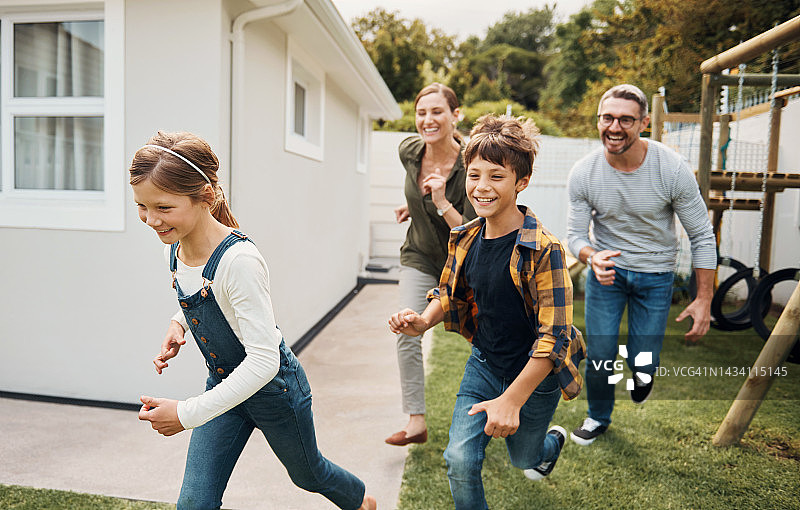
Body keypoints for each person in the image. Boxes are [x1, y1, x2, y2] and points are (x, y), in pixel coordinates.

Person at [131, 132, 376, 510]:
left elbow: (264, 361)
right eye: (142, 206)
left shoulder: (239, 261)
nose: (151, 219)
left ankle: (360, 502)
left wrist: (184, 414)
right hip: (224, 388)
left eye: (163, 207)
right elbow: (207, 297)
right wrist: (179, 323)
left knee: (308, 475)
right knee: (194, 503)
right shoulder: (176, 248)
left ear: (204, 197)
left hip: (276, 394)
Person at [389, 115, 585, 509]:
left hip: (535, 374)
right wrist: (423, 321)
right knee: (459, 460)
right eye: (474, 174)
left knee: (524, 458)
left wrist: (511, 400)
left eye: (496, 176)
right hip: (484, 365)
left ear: (521, 182)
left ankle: (548, 445)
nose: (481, 186)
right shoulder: (463, 237)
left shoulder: (544, 249)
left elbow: (554, 337)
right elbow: (450, 291)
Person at [566, 84, 716, 446]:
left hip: (656, 276)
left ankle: (644, 373)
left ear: (644, 123)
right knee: (600, 353)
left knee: (644, 359)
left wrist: (704, 299)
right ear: (598, 120)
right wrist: (591, 256)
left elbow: (702, 235)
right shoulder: (584, 172)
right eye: (607, 118)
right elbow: (574, 236)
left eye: (625, 120)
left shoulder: (672, 168)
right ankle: (597, 417)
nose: (614, 127)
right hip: (607, 274)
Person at [386, 82, 477, 446]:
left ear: (456, 115)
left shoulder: (472, 164)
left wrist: (440, 202)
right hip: (420, 255)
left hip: (464, 263)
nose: (428, 120)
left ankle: (501, 405)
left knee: (486, 338)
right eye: (421, 113)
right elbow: (418, 189)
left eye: (437, 111)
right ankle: (416, 422)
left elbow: (472, 230)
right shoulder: (409, 150)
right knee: (407, 327)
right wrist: (416, 206)